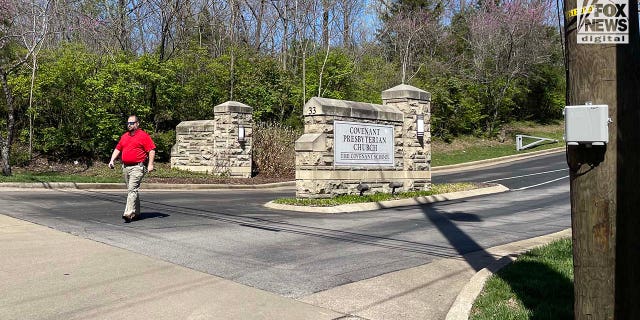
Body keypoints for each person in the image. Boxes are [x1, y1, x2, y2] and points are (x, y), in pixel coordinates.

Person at [108, 115, 156, 223]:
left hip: (138, 167)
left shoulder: (143, 136)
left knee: (132, 190)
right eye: (128, 123)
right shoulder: (124, 136)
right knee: (132, 190)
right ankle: (137, 212)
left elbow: (151, 150)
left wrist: (150, 164)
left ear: (137, 124)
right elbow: (118, 148)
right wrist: (112, 160)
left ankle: (128, 213)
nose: (129, 125)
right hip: (125, 167)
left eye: (132, 123)